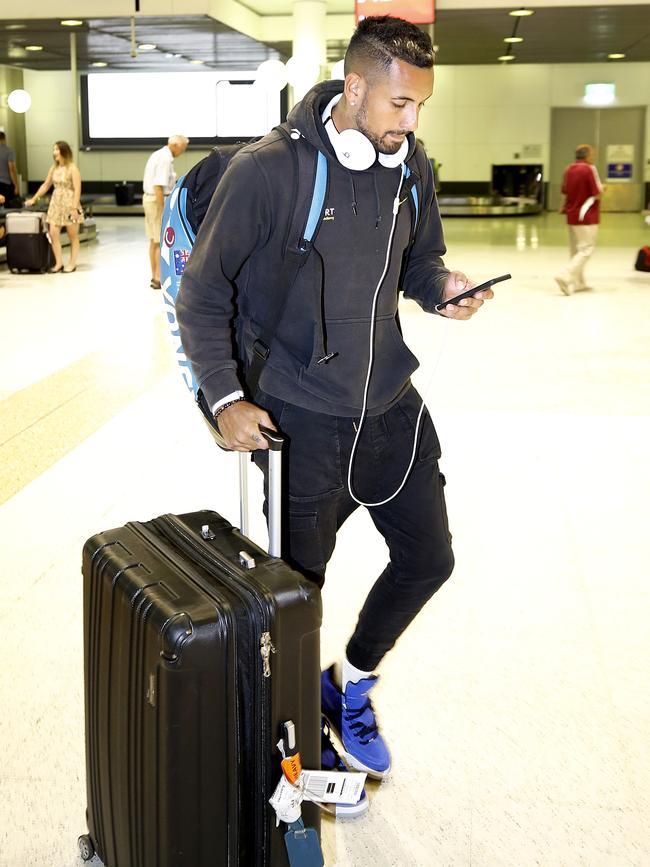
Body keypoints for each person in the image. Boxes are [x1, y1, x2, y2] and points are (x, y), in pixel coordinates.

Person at [176, 15, 494, 804]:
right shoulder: (268, 173)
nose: (411, 123)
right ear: (354, 87)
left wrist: (443, 291)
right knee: (298, 595)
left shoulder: (410, 166)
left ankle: (347, 682)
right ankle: (292, 740)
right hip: (300, 420)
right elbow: (200, 295)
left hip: (391, 408)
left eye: (420, 107)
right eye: (398, 105)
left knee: (430, 557)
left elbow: (421, 264)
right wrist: (225, 399)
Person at [25, 141, 84, 273]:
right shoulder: (54, 169)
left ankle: (72, 263)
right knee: (53, 233)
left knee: (72, 235)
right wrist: (34, 198)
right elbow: (45, 185)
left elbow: (78, 189)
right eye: (54, 150)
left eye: (57, 149)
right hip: (56, 204)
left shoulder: (73, 169)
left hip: (70, 204)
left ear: (64, 151)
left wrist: (74, 208)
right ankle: (58, 263)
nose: (54, 152)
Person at [556, 143, 604, 295]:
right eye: (593, 154)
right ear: (588, 156)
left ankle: (579, 283)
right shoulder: (589, 169)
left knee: (575, 250)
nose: (594, 157)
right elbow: (597, 192)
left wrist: (563, 206)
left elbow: (565, 191)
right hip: (587, 215)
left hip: (571, 214)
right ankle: (566, 275)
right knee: (586, 249)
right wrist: (604, 189)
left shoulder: (568, 169)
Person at [143, 134, 189, 289]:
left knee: (153, 240)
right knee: (158, 240)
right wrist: (163, 211)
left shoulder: (158, 154)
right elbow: (158, 186)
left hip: (149, 199)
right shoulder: (165, 159)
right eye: (183, 148)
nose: (182, 151)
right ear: (176, 145)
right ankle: (157, 278)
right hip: (157, 200)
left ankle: (155, 275)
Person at [0, 131, 19, 204]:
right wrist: (16, 185)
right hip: (5, 185)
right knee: (8, 209)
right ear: (4, 139)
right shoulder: (9, 151)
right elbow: (11, 169)